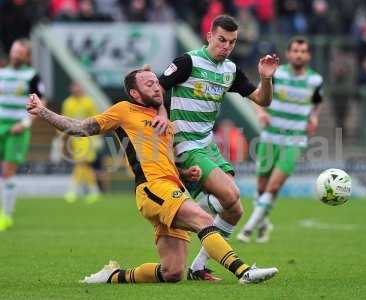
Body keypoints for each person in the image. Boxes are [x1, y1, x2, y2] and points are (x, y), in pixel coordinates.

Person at [26, 67, 279, 284]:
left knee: (172, 272)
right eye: (149, 84)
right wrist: (43, 111)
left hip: (172, 185)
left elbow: (160, 157)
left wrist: (184, 172)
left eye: (157, 82)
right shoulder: (124, 110)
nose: (157, 87)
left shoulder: (163, 118)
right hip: (153, 188)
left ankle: (114, 275)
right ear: (135, 93)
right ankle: (244, 271)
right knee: (203, 218)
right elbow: (80, 128)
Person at [157, 14, 279, 280]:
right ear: (209, 36)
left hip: (207, 144)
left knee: (235, 209)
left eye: (232, 42)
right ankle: (204, 204)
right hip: (185, 144)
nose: (226, 46)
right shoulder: (187, 62)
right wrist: (162, 114)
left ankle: (199, 266)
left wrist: (266, 78)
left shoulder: (230, 70)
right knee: (230, 195)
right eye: (221, 40)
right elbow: (156, 88)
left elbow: (262, 99)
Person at [237, 36, 323, 243]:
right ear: (289, 53)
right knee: (261, 188)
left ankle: (248, 229)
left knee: (273, 187)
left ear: (308, 55)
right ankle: (264, 223)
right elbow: (258, 95)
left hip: (295, 140)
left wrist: (314, 116)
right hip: (270, 137)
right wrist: (260, 112)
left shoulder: (315, 80)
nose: (299, 54)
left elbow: (317, 102)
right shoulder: (277, 74)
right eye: (295, 50)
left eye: (303, 51)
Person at [0, 39, 44, 231]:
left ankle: (6, 216)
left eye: (20, 52)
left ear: (27, 56)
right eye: (14, 51)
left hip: (17, 128)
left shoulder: (32, 75)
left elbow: (41, 103)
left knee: (8, 171)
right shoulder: (2, 73)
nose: (16, 54)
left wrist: (25, 123)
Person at [61, 81, 101, 204]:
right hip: (75, 139)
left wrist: (97, 138)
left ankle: (73, 191)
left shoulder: (89, 102)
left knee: (82, 163)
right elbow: (63, 119)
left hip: (88, 137)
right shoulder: (68, 102)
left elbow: (97, 119)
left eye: (79, 87)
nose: (77, 89)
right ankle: (94, 191)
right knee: (84, 165)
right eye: (74, 87)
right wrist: (63, 137)